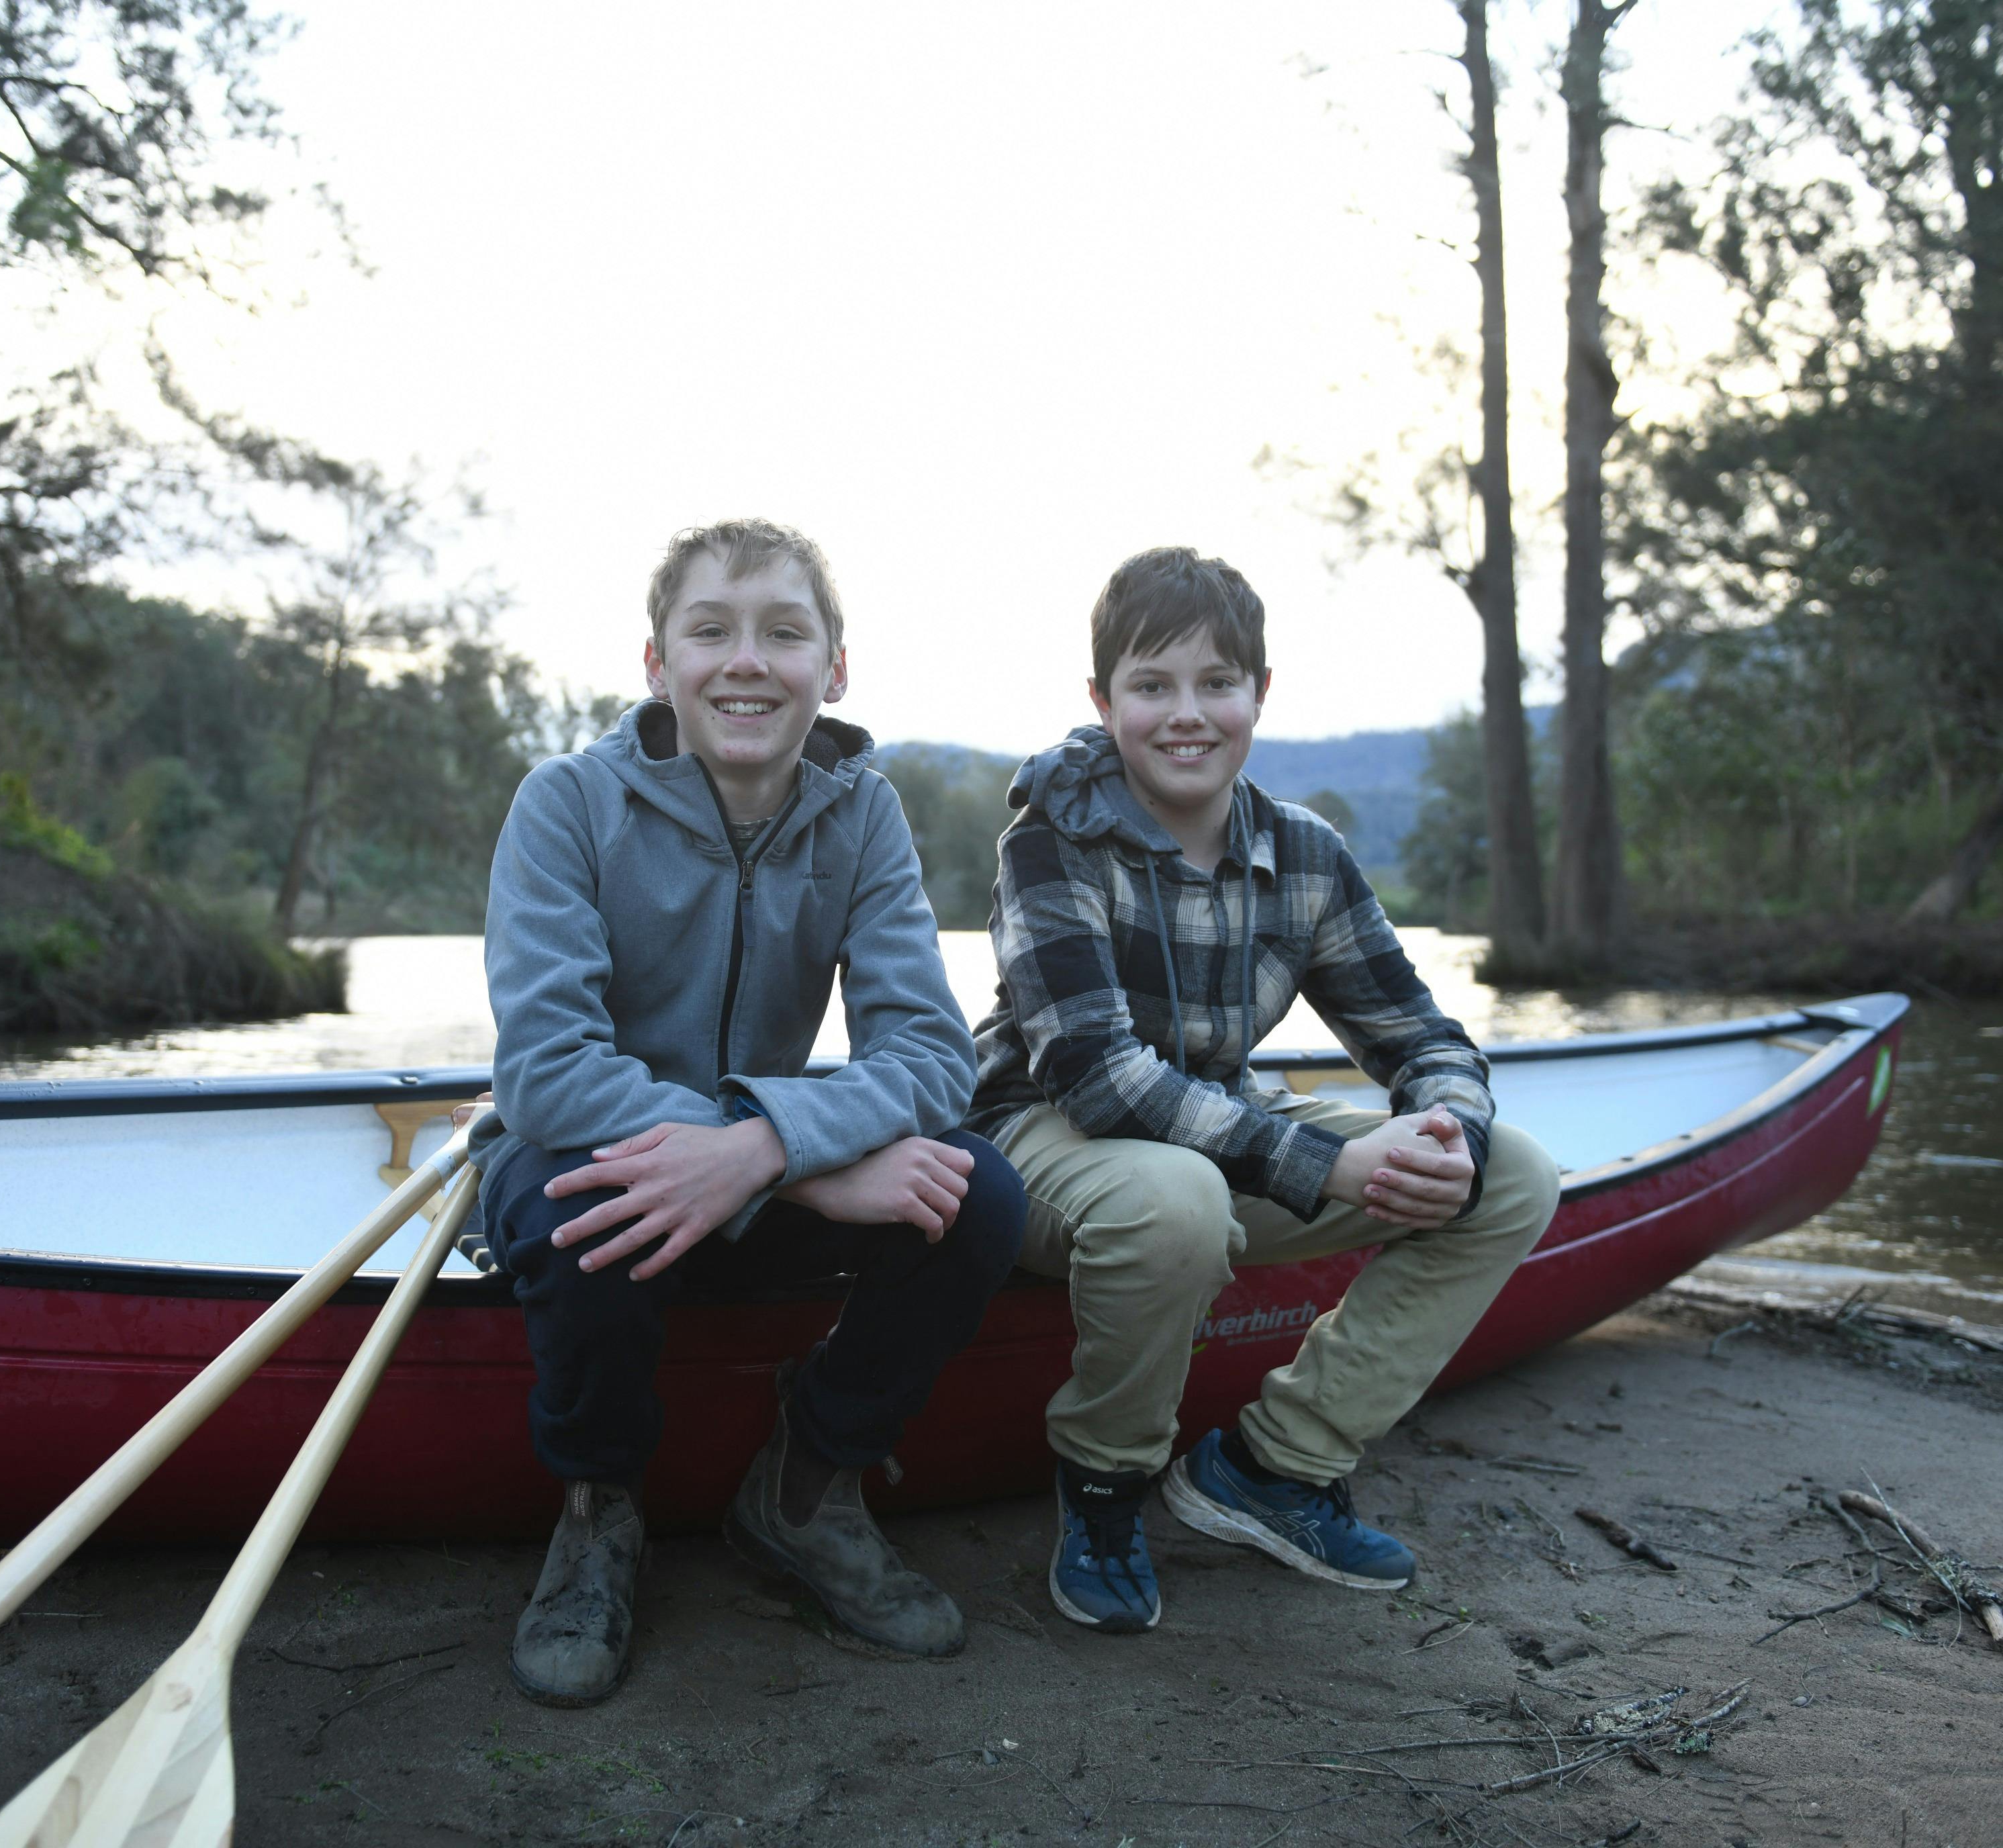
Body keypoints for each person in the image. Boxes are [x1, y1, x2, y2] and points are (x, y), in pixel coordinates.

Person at [477, 517, 1026, 1706]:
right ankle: (598, 1511)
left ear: (833, 669)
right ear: (655, 662)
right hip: (588, 1154)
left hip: (758, 1158)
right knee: (581, 1207)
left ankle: (806, 1490)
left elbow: (934, 1053)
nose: (746, 661)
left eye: (784, 634)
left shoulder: (862, 815)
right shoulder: (566, 804)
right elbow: (546, 1073)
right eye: (710, 630)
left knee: (978, 1193)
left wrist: (763, 1150)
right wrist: (796, 1161)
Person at [967, 545, 1561, 1634]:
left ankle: (1274, 1466)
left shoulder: (1307, 856)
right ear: (1105, 703)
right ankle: (1104, 1490)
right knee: (1173, 1200)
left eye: (1215, 684)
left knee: (1511, 1174)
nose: (1185, 715)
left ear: (1260, 695)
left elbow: (1421, 1033)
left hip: (1213, 1132)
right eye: (1152, 686)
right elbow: (1097, 1080)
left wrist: (1442, 1126)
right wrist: (1332, 1162)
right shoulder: (1049, 839)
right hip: (1038, 1144)